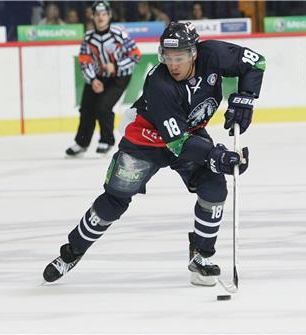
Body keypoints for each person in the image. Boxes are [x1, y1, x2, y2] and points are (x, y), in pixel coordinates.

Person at [44, 22, 265, 286]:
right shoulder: (159, 82)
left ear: (194, 53)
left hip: (188, 134)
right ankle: (72, 252)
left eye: (179, 58)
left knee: (214, 186)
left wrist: (246, 98)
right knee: (114, 201)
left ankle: (202, 257)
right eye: (168, 58)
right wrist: (216, 156)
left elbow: (256, 63)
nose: (173, 65)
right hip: (146, 141)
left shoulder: (214, 55)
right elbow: (178, 143)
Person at [65, 1, 141, 157]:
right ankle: (81, 143)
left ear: (110, 16)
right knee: (86, 109)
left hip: (120, 76)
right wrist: (92, 80)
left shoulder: (119, 34)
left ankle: (107, 140)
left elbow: (135, 55)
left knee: (103, 107)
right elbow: (84, 60)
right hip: (98, 77)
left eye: (104, 14)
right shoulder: (88, 37)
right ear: (92, 16)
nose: (101, 17)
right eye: (97, 14)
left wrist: (117, 65)